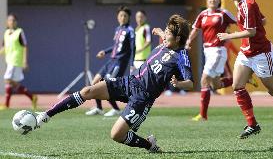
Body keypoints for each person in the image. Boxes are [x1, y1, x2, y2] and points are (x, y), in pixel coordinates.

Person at [35, 14, 193, 152]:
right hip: (129, 82)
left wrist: (179, 84)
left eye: (168, 32)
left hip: (142, 98)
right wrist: (159, 31)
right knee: (87, 91)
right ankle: (46, 115)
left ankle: (148, 144)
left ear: (178, 38)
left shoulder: (181, 56)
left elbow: (190, 83)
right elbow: (164, 36)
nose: (164, 35)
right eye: (165, 32)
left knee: (116, 135)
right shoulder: (167, 42)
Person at [217, 0, 273, 139]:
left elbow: (252, 31)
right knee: (237, 86)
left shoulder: (247, 4)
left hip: (262, 53)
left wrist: (228, 36)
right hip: (247, 52)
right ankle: (252, 124)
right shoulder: (242, 2)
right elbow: (264, 20)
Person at [186, 0, 237, 121]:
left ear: (219, 0)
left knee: (204, 80)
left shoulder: (223, 13)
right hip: (207, 51)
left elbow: (240, 22)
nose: (212, 0)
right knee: (215, 85)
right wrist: (188, 41)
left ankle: (203, 115)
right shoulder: (202, 14)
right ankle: (240, 78)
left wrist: (243, 35)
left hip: (218, 51)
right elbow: (196, 29)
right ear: (207, 0)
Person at [85, 6, 136, 117]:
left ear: (128, 18)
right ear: (117, 17)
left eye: (125, 16)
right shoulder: (118, 29)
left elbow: (133, 48)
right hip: (110, 61)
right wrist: (105, 51)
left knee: (107, 85)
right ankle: (99, 108)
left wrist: (132, 64)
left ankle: (116, 109)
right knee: (95, 83)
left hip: (119, 63)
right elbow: (115, 46)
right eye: (121, 15)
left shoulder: (130, 31)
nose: (122, 17)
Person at [0, 14, 37, 110]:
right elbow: (4, 47)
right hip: (9, 61)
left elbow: (25, 46)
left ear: (16, 22)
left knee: (7, 79)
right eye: (9, 20)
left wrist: (25, 61)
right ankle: (32, 97)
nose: (11, 22)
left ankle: (7, 104)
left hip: (16, 60)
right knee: (12, 84)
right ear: (7, 22)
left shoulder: (19, 32)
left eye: (13, 20)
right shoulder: (6, 33)